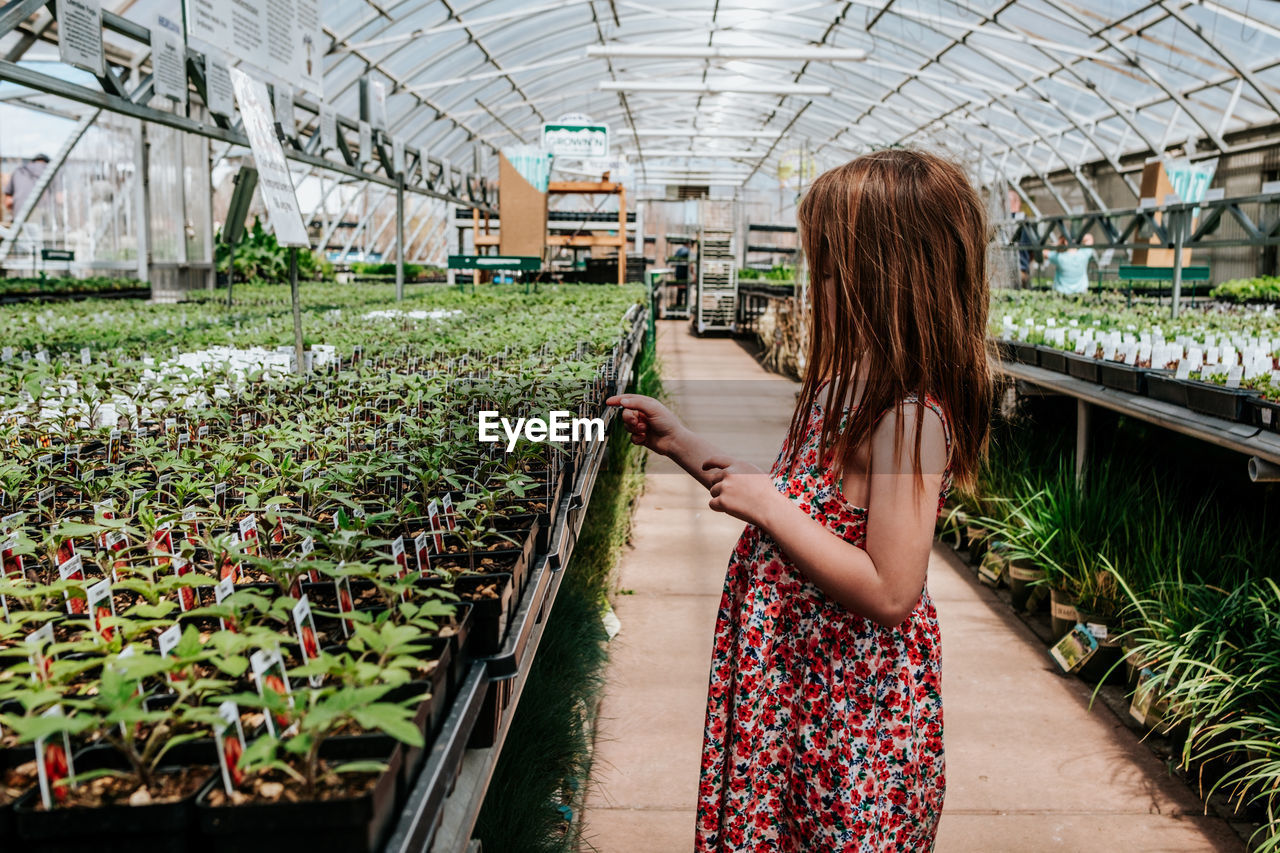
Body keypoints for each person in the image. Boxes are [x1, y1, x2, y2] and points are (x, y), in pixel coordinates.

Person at [608, 149, 992, 851]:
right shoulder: (839, 390)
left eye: (829, 268)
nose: (816, 286)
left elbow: (891, 590)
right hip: (794, 691)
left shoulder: (912, 420)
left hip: (851, 719)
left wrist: (772, 509)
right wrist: (683, 443)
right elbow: (799, 499)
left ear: (885, 277)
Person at [2, 153, 50, 220]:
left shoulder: (19, 170)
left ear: (31, 162)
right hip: (42, 214)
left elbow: (8, 201)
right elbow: (59, 198)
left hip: (19, 214)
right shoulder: (50, 171)